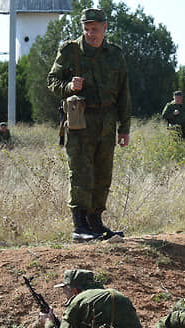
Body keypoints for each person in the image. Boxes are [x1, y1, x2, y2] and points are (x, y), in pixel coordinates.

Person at [47, 8, 130, 243]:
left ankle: (96, 223)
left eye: (94, 29)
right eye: (86, 29)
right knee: (82, 173)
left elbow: (124, 93)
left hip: (107, 122)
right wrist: (68, 87)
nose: (90, 33)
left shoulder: (115, 55)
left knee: (103, 174)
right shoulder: (70, 51)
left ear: (105, 28)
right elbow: (52, 81)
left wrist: (124, 128)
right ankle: (79, 226)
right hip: (80, 121)